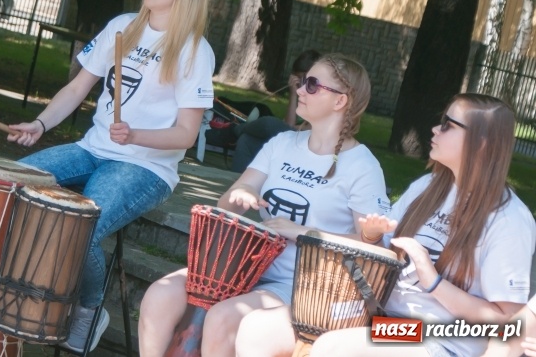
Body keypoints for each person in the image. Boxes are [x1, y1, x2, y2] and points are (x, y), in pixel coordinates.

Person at [7, 0, 216, 352]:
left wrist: (137, 136)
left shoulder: (195, 51)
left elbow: (186, 134)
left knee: (81, 227)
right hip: (92, 147)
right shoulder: (122, 25)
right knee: (10, 185)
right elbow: (77, 87)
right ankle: (14, 293)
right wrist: (40, 123)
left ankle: (88, 310)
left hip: (145, 166)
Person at [139, 53, 390, 357]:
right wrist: (242, 193)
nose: (299, 90)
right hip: (244, 264)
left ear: (340, 101)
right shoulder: (282, 144)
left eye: (312, 85)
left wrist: (301, 232)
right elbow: (227, 205)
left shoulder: (363, 167)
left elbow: (374, 248)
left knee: (224, 317)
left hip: (305, 285)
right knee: (160, 295)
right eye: (301, 82)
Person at [305, 94, 536, 357]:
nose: (436, 129)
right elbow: (387, 256)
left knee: (333, 350)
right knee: (307, 332)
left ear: (482, 143)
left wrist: (434, 282)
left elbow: (508, 322)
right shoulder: (426, 187)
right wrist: (370, 237)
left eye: (449, 125)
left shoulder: (509, 220)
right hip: (392, 323)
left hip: (444, 339)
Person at [211, 49, 321, 172]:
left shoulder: (320, 99)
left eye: (304, 79)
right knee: (247, 140)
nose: (300, 83)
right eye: (298, 78)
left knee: (268, 123)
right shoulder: (302, 96)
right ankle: (236, 182)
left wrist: (294, 96)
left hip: (301, 144)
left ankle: (235, 129)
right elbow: (288, 127)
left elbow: (290, 129)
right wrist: (294, 95)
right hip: (289, 139)